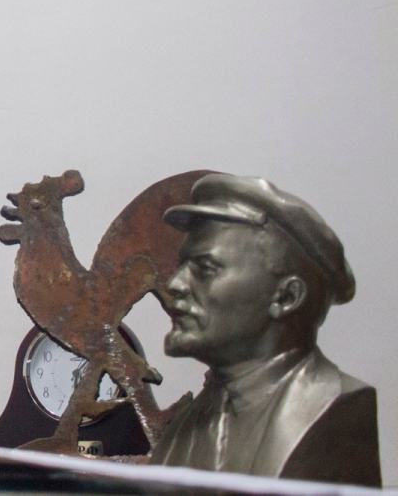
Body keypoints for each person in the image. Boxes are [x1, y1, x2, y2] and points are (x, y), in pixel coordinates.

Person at [151, 173, 380, 486]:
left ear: (286, 297)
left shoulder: (336, 409)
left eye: (205, 269)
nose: (175, 284)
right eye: (182, 266)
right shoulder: (185, 428)